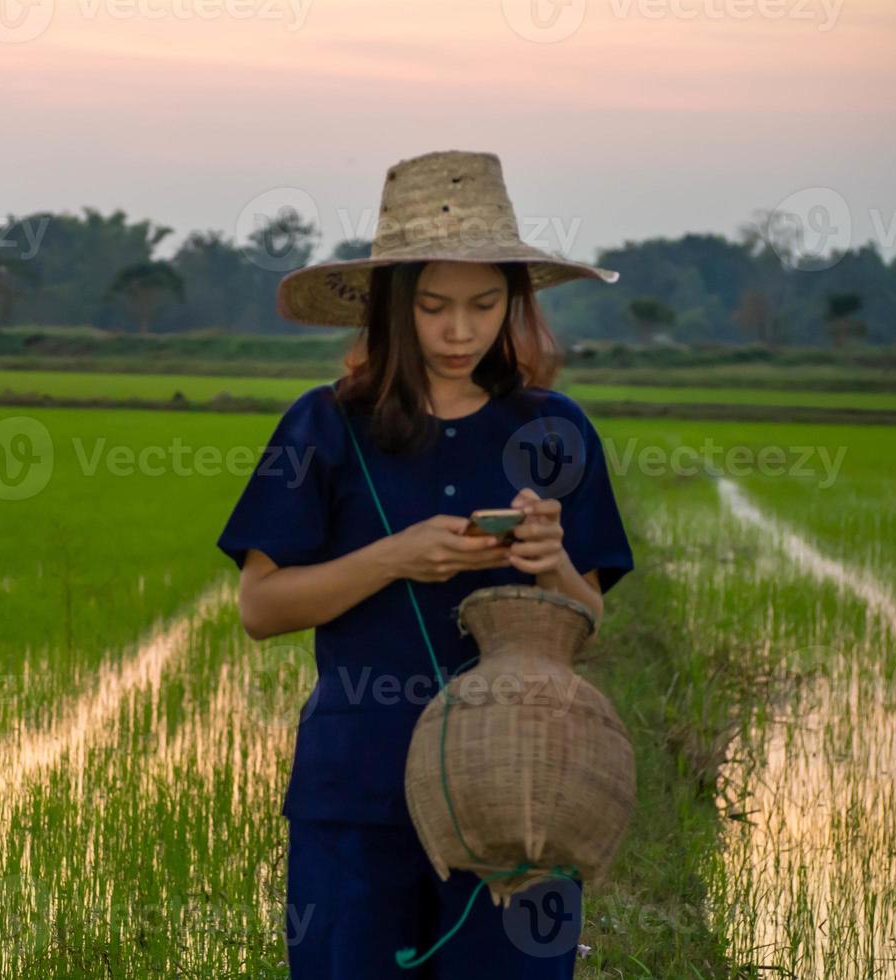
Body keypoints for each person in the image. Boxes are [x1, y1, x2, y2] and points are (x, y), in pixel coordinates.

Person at [216, 150, 635, 978]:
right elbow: (260, 609)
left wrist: (551, 565)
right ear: (389, 307)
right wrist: (394, 557)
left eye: (483, 305)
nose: (458, 331)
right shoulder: (324, 426)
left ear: (513, 303)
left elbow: (586, 625)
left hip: (521, 788)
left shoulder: (554, 429)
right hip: (356, 792)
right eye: (434, 307)